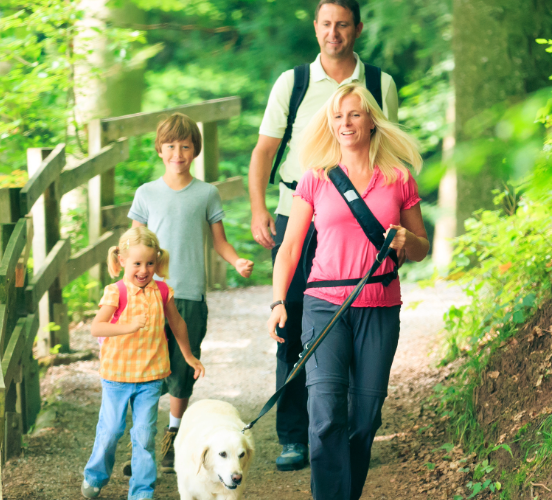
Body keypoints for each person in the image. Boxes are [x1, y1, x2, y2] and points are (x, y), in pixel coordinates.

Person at [247, 0, 399, 472]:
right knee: (293, 324)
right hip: (300, 210)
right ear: (316, 29)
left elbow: (391, 145)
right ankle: (296, 436)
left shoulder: (379, 84)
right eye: (326, 25)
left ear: (357, 28)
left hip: (360, 217)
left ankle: (350, 433)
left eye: (343, 25)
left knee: (358, 319)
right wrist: (257, 209)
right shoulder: (291, 84)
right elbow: (264, 151)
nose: (334, 33)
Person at [267, 83, 430, 500]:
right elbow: (288, 249)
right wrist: (278, 302)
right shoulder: (316, 178)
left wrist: (403, 241)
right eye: (338, 116)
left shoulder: (398, 178)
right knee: (324, 416)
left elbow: (422, 249)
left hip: (379, 307)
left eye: (354, 114)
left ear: (371, 120)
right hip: (325, 306)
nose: (345, 123)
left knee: (365, 418)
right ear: (329, 122)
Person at [128, 112, 254, 473]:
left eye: (185, 146)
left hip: (189, 296)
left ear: (195, 150)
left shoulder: (206, 193)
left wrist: (236, 262)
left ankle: (173, 434)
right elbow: (134, 244)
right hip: (150, 294)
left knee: (183, 368)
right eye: (170, 146)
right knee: (146, 369)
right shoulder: (146, 193)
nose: (178, 153)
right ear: (160, 149)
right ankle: (141, 446)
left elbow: (220, 242)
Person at [82, 226, 206, 500]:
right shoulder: (115, 292)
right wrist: (126, 326)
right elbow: (97, 328)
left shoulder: (162, 291)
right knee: (111, 429)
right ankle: (95, 475)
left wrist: (188, 355)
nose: (143, 269)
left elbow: (177, 323)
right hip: (116, 376)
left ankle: (141, 491)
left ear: (157, 262)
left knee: (144, 435)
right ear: (123, 260)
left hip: (150, 377)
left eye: (150, 263)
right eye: (137, 263)